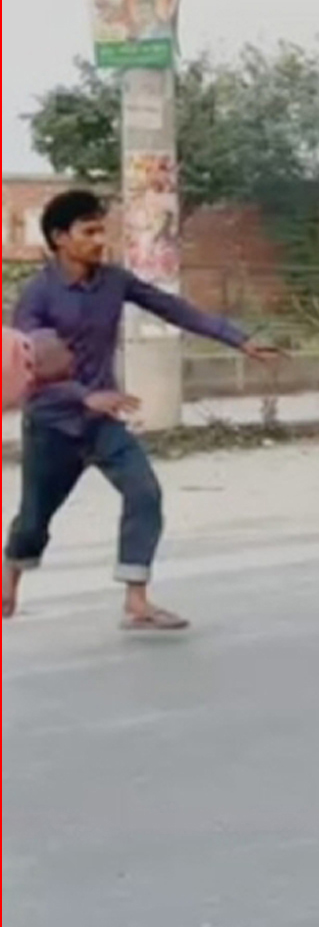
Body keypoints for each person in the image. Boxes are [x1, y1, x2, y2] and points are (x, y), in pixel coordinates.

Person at [4, 189, 282, 628]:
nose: (100, 240)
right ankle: (9, 581)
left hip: (102, 423)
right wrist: (82, 395)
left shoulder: (114, 281)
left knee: (145, 494)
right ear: (60, 238)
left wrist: (238, 339)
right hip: (52, 424)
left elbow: (173, 308)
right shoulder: (37, 295)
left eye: (102, 230)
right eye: (89, 232)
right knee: (34, 519)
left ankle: (137, 602)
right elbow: (27, 365)